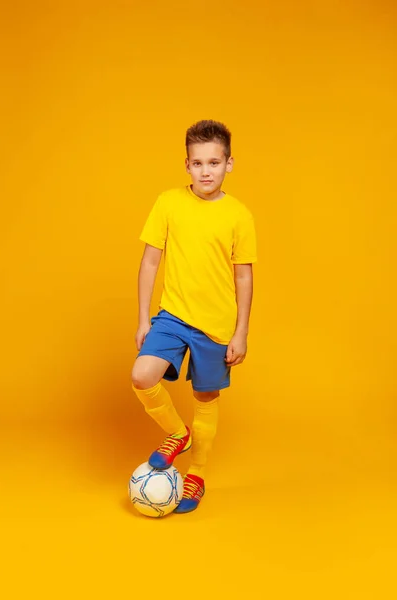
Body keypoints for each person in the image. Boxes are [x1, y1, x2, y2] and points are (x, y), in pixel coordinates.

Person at [131, 119, 257, 513]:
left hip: (217, 324)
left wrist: (241, 332)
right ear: (186, 165)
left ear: (229, 164)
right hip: (173, 316)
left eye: (214, 163)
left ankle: (197, 474)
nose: (206, 171)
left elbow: (244, 275)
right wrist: (143, 319)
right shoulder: (168, 202)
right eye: (198, 163)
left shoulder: (239, 215)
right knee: (141, 375)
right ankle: (177, 433)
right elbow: (150, 262)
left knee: (205, 395)